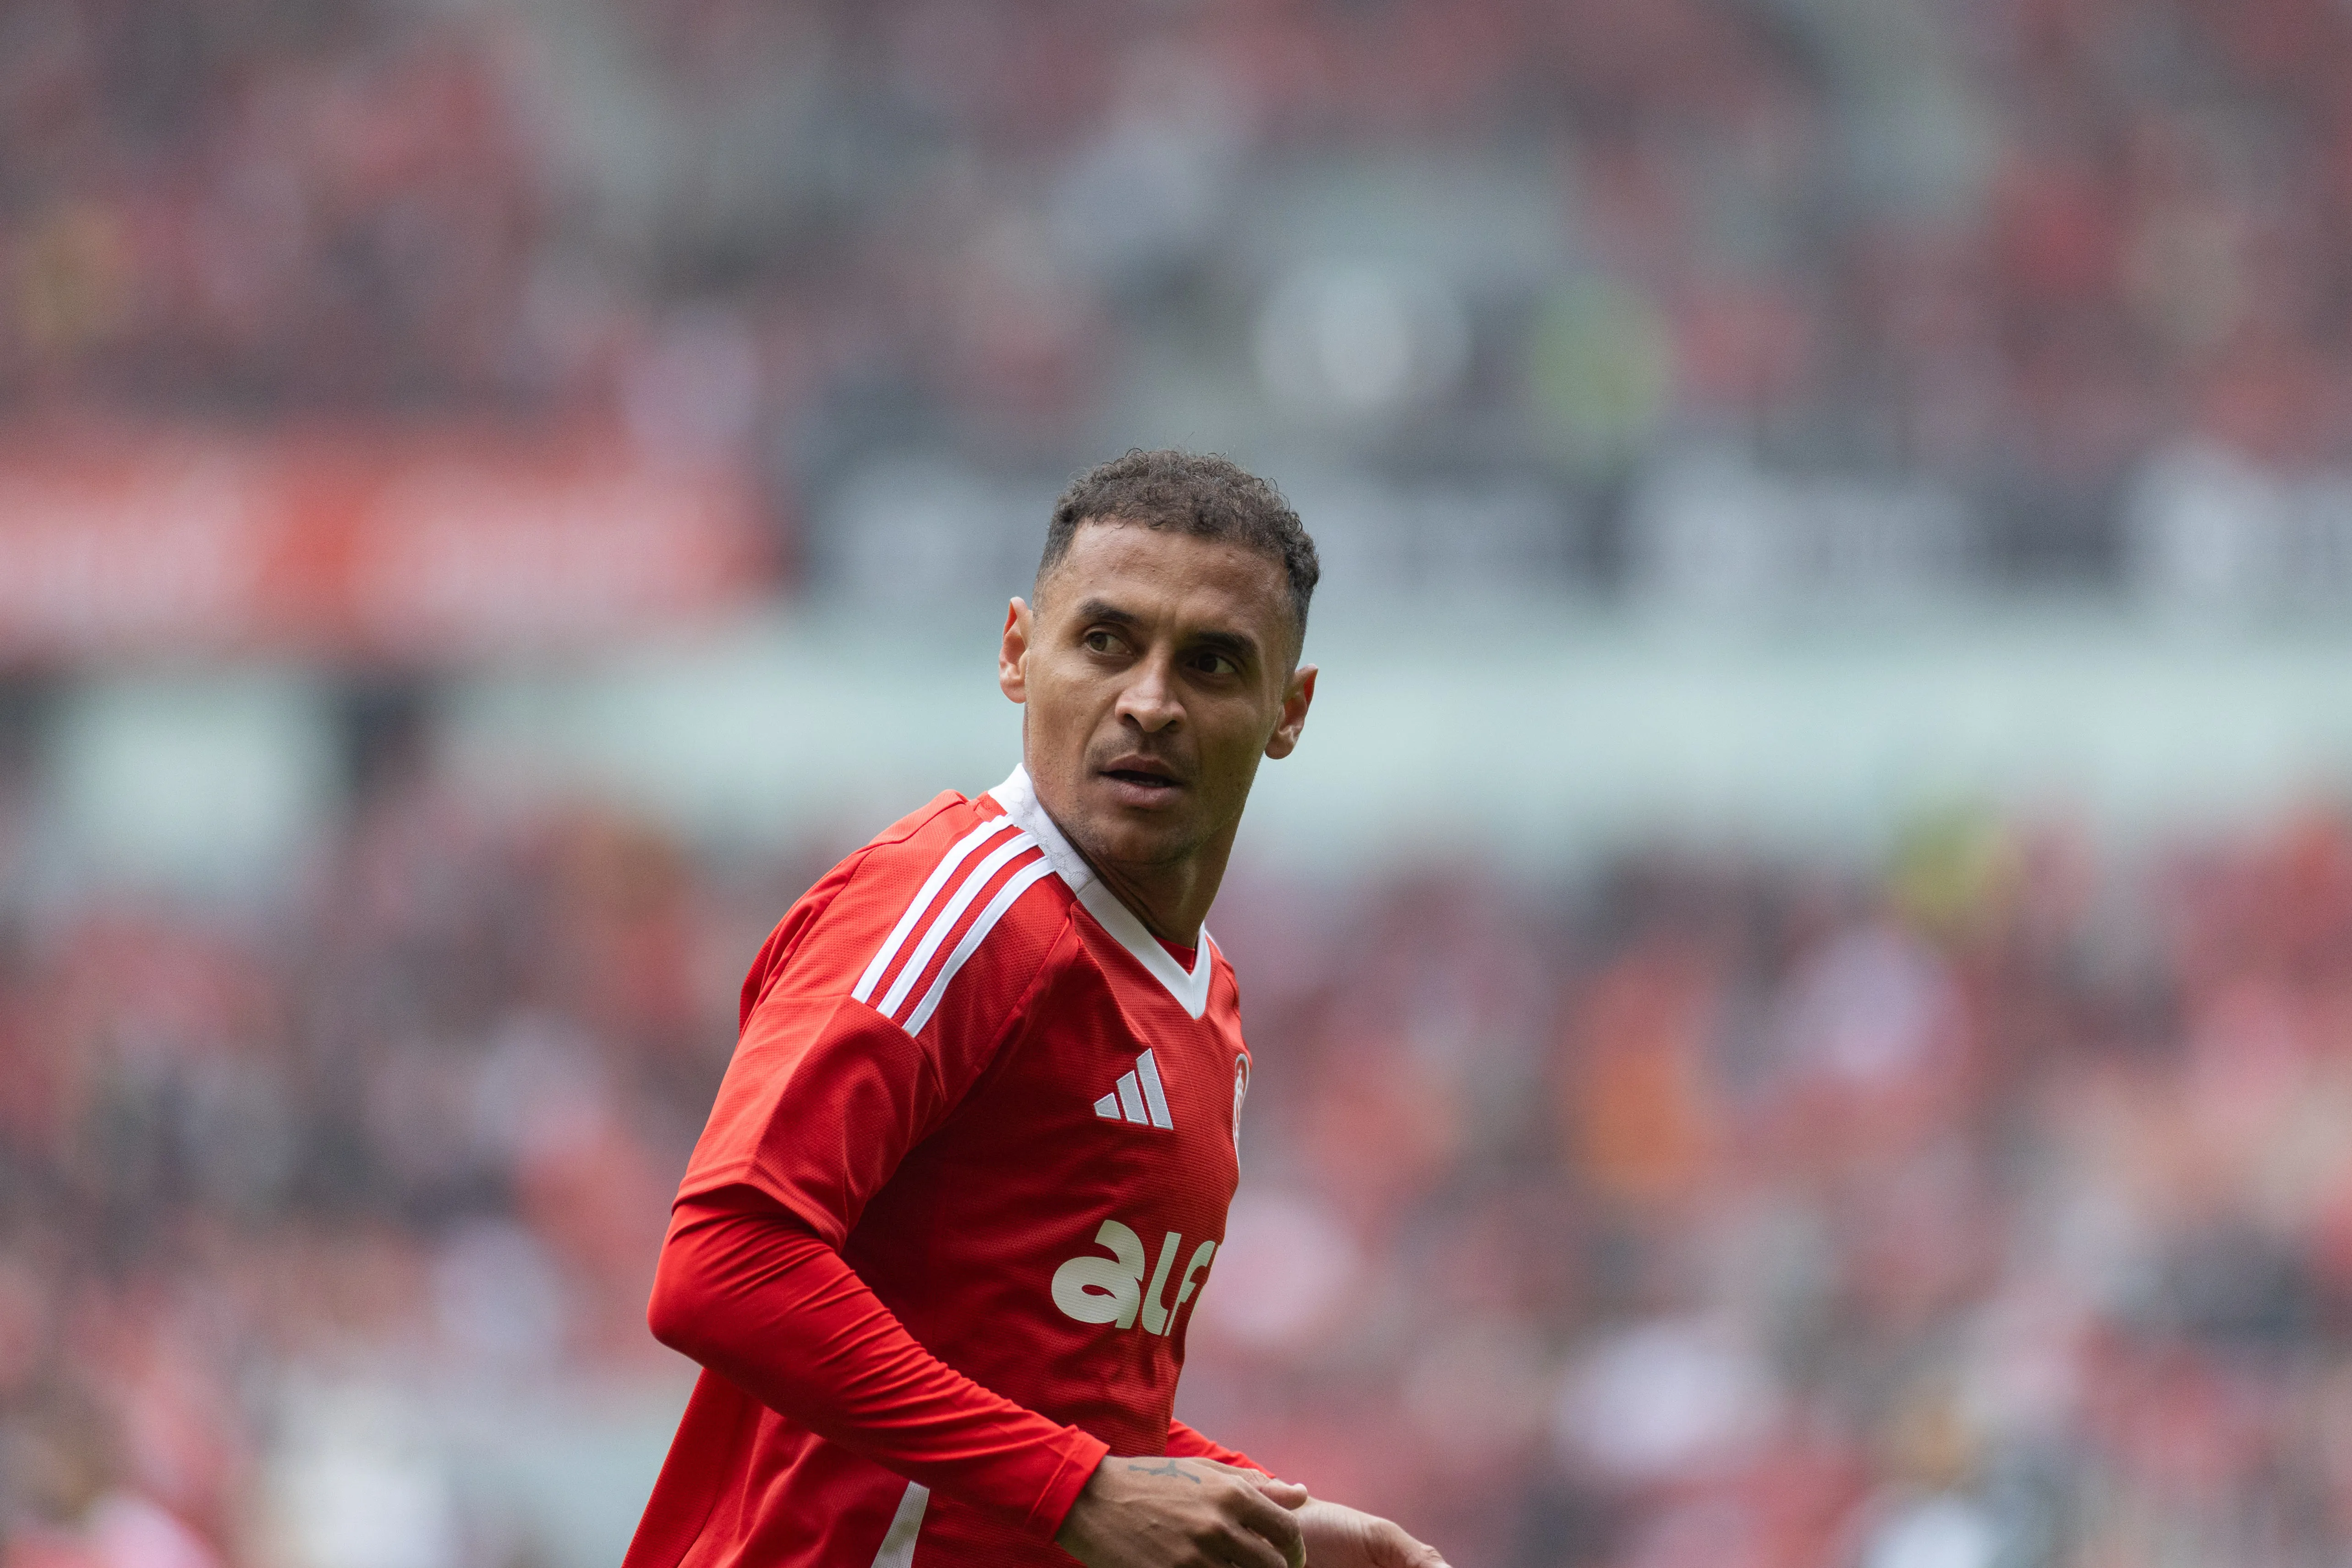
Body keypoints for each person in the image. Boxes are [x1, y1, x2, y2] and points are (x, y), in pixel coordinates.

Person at [623, 450, 1447, 1568]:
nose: (1148, 702)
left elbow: (1058, 1392)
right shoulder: (959, 904)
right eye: (1106, 642)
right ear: (1018, 652)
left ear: (1287, 710)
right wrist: (1078, 1489)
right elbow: (723, 1259)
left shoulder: (1204, 1001)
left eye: (1210, 663)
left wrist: (1281, 1524)